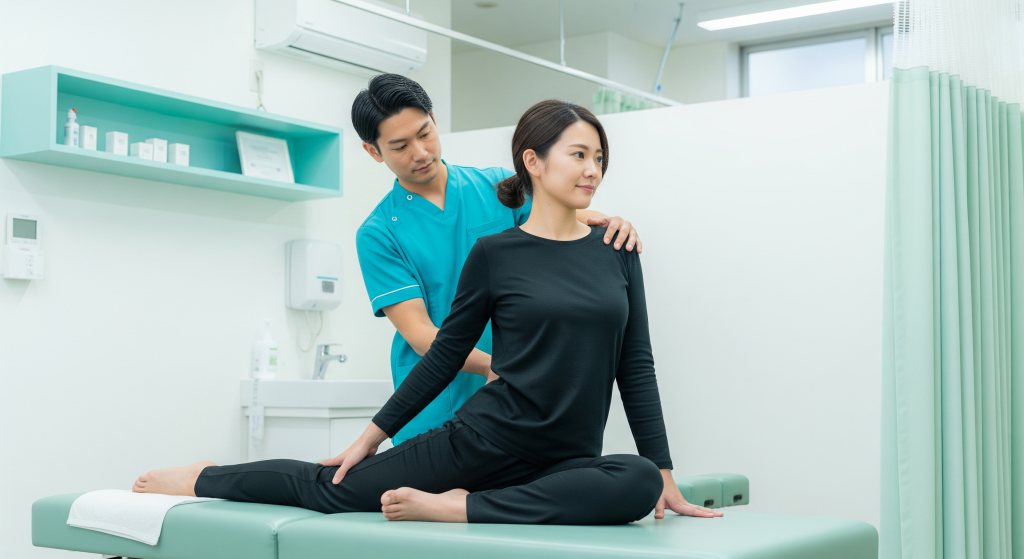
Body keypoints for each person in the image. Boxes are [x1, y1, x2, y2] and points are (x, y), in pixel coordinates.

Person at [132, 99, 722, 526]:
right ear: (534, 162)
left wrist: (663, 470)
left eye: (599, 157)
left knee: (637, 480)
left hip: (564, 456)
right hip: (482, 434)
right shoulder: (477, 250)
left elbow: (635, 365)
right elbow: (436, 349)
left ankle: (460, 507)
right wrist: (370, 436)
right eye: (578, 155)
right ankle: (201, 476)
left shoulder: (613, 248)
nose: (592, 169)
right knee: (331, 488)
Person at [353, 74, 643, 445]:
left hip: (513, 402)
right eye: (400, 146)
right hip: (435, 402)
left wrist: (612, 224)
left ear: (435, 120)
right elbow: (420, 333)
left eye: (425, 134)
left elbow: (565, 219)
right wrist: (499, 368)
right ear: (374, 151)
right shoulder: (379, 233)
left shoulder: (497, 188)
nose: (420, 153)